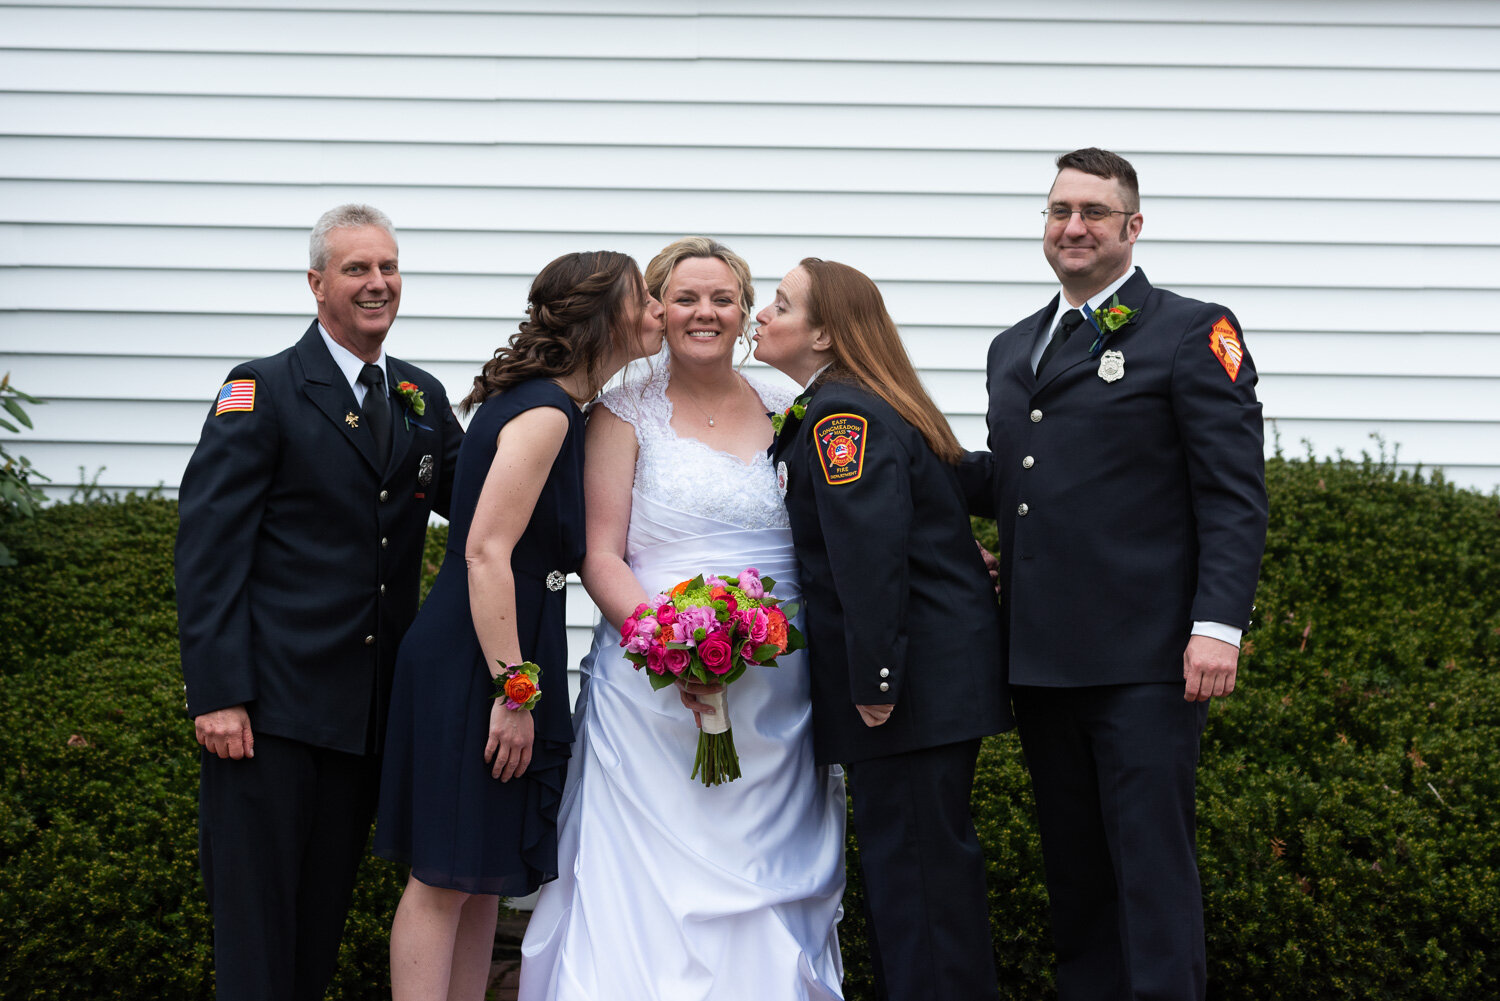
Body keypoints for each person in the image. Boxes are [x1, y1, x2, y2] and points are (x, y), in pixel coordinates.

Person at [959, 148, 1269, 1001]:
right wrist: (913, 456)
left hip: (1146, 660)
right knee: (1078, 875)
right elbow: (1014, 478)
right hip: (1041, 658)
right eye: (1060, 210)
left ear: (1133, 226)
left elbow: (1234, 495)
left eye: (1094, 211)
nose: (1074, 226)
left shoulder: (1189, 330)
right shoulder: (1013, 345)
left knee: (1149, 869)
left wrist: (1218, 625)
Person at [519, 237, 846, 1001]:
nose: (706, 312)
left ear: (745, 312)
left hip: (778, 690)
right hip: (652, 689)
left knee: (767, 873)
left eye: (723, 298)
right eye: (687, 297)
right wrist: (672, 649)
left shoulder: (786, 407)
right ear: (657, 310)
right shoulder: (621, 413)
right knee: (648, 880)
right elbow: (602, 555)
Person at [175, 203, 465, 1001]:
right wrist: (219, 692)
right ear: (316, 283)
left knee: (317, 932)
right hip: (265, 715)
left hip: (361, 717)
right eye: (357, 269)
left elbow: (484, 505)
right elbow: (207, 553)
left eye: (388, 267)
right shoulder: (261, 388)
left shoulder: (417, 393)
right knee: (256, 935)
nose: (378, 284)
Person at [374, 251, 664, 1000]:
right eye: (646, 300)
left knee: (478, 879)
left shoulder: (564, 408)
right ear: (605, 318)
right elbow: (484, 551)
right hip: (477, 659)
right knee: (442, 878)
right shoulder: (542, 414)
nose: (659, 313)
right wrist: (514, 688)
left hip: (505, 650)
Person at [759, 258, 1013, 1001]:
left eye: (780, 304)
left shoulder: (845, 416)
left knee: (922, 889)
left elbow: (867, 559)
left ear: (827, 332)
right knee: (922, 880)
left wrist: (875, 681)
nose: (761, 316)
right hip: (920, 686)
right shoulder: (849, 403)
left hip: (905, 693)